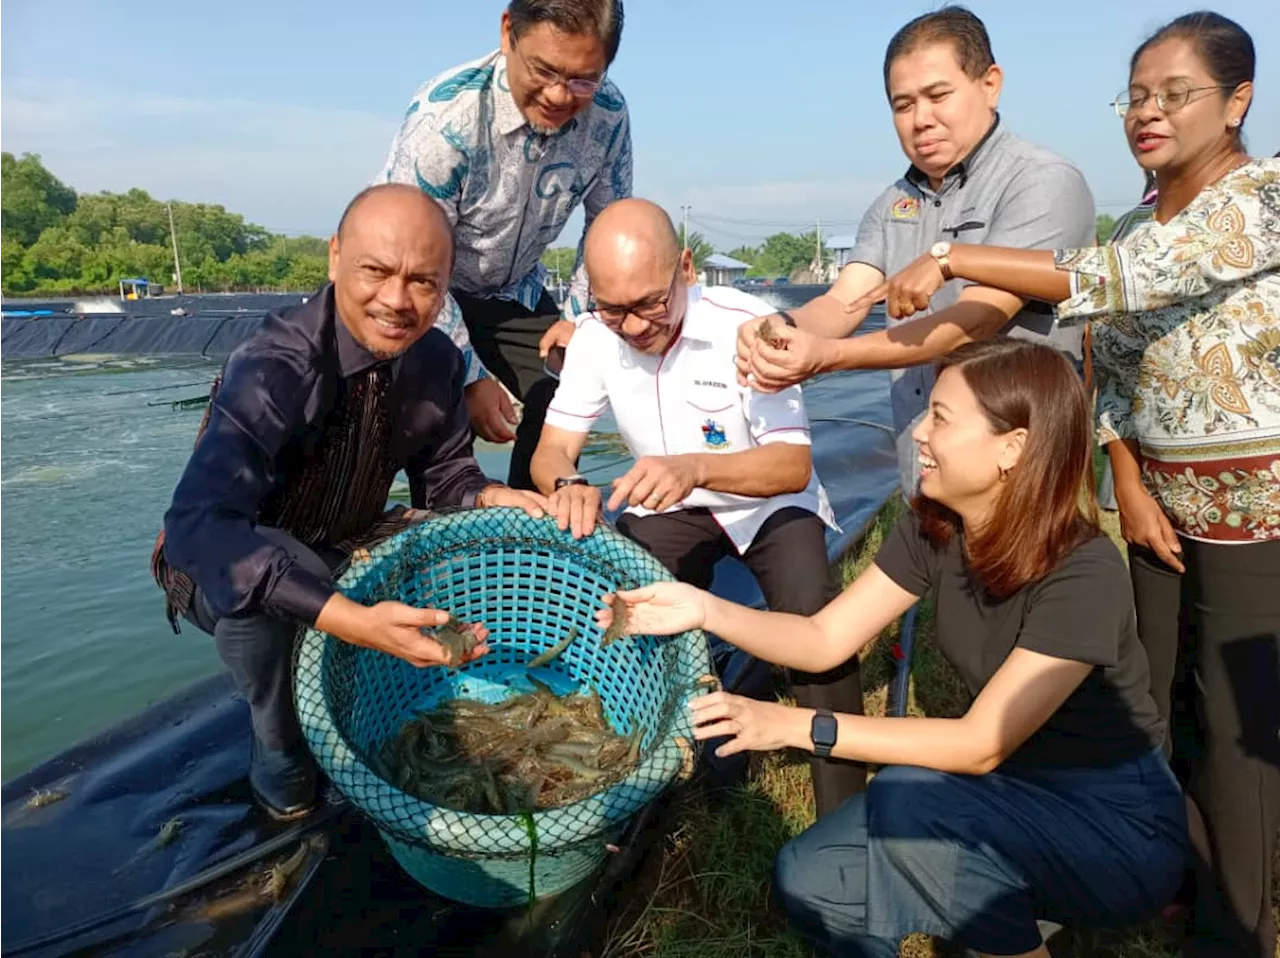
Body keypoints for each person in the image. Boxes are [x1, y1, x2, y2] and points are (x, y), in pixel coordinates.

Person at [858, 13, 1278, 956]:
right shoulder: (1137, 215)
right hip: (1159, 504)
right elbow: (1111, 371)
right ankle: (1156, 876)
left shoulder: (1262, 198)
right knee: (1149, 709)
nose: (1149, 113)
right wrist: (1123, 473)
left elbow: (1115, 280)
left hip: (1259, 510)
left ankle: (1235, 930)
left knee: (1237, 720)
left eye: (1176, 95)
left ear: (1237, 101)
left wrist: (955, 255)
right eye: (1136, 96)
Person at [599, 338, 1187, 957]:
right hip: (1004, 799)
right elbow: (825, 639)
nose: (918, 435)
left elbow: (979, 744)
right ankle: (994, 897)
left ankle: (1010, 934)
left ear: (1012, 448)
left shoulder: (1084, 570)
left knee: (912, 798)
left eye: (940, 418)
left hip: (1114, 826)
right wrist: (705, 609)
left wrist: (795, 725)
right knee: (810, 878)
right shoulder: (936, 527)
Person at [153, 184, 547, 820]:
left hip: (344, 538)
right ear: (335, 257)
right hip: (224, 560)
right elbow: (197, 525)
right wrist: (356, 621)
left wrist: (497, 495)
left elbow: (445, 481)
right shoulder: (274, 365)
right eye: (376, 271)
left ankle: (381, 686)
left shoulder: (438, 360)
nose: (397, 301)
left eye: (424, 281)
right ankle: (277, 744)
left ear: (446, 286)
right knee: (267, 584)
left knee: (459, 546)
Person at [530, 198, 866, 815]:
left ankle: (844, 796)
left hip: (764, 499)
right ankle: (645, 760)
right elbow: (551, 449)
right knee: (620, 609)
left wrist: (696, 468)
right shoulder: (594, 338)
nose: (632, 327)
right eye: (612, 308)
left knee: (815, 612)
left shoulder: (751, 327)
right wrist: (565, 485)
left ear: (686, 268)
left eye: (649, 304)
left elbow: (790, 466)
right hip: (668, 504)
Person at [734, 5, 1095, 493]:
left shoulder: (1041, 181)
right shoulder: (893, 204)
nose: (921, 119)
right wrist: (784, 328)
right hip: (925, 474)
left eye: (938, 95)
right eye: (903, 105)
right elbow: (845, 301)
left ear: (990, 84)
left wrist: (827, 356)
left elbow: (977, 321)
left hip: (1020, 479)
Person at [379, 0, 632, 492]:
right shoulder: (444, 120)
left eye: (583, 78)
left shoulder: (608, 116)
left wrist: (578, 321)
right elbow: (416, 262)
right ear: (507, 33)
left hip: (513, 289)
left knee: (562, 387)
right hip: (424, 289)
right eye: (544, 70)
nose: (560, 95)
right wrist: (470, 377)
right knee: (437, 413)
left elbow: (607, 222)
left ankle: (526, 529)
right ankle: (441, 531)